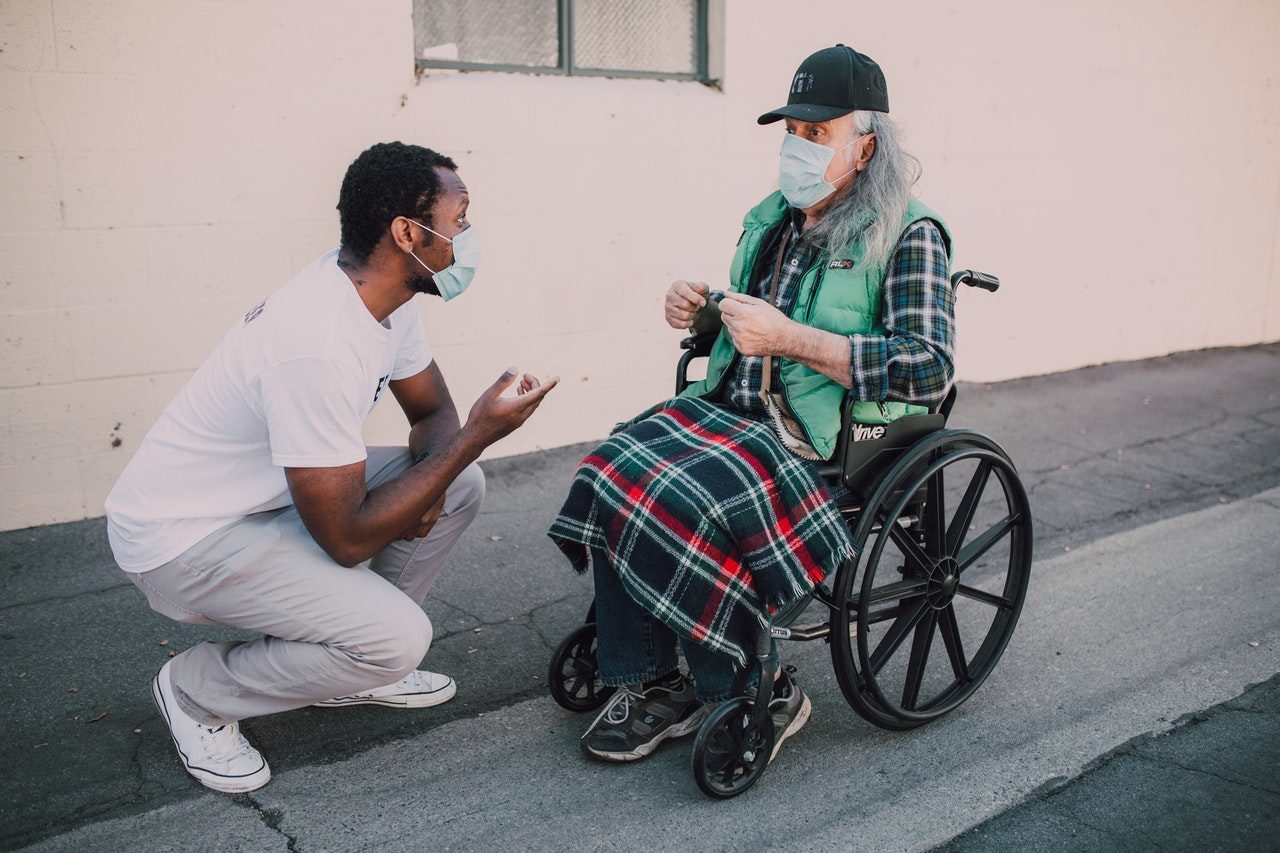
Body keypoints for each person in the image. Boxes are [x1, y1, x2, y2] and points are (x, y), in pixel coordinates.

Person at [106, 142, 559, 794]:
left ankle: (353, 662)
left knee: (457, 484)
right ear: (408, 233)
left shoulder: (383, 296)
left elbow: (432, 410)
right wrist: (476, 437)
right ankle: (199, 692)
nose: (468, 235)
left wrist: (445, 465)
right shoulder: (315, 341)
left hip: (260, 501)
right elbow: (346, 537)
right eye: (461, 217)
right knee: (401, 633)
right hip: (180, 537)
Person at [549, 45, 955, 764]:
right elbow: (749, 321)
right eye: (791, 132)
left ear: (865, 148)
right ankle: (651, 675)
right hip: (725, 406)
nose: (797, 148)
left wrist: (797, 340)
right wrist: (704, 312)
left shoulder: (909, 233)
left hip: (809, 435)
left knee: (687, 498)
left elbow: (927, 369)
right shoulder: (775, 216)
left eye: (816, 135)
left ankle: (752, 684)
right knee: (613, 465)